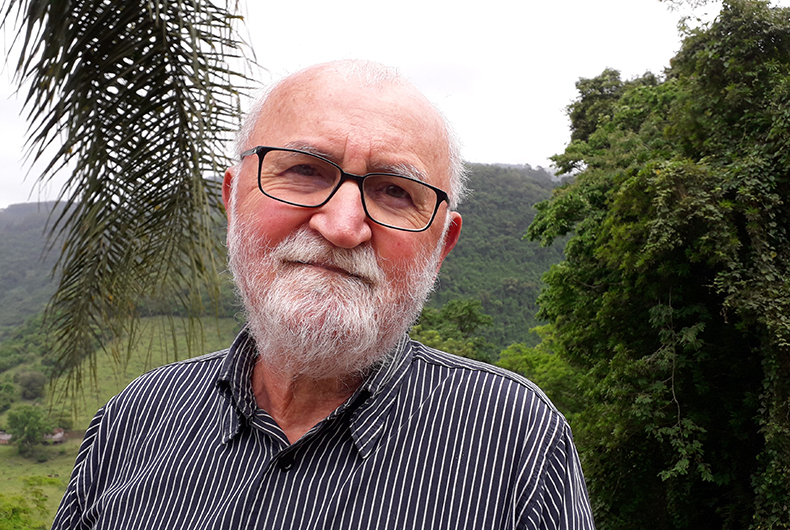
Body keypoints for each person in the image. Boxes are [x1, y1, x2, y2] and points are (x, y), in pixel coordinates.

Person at [52, 60, 594, 529]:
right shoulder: (134, 420)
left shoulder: (517, 443)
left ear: (441, 245)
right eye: (305, 171)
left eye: (395, 191)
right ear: (232, 199)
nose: (342, 226)